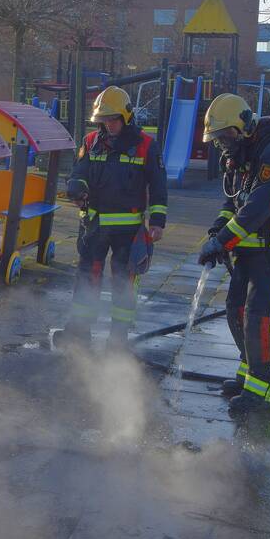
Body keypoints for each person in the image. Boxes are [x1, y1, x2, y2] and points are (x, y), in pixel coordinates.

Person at [198, 93, 270, 416]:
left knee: (261, 319)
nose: (222, 145)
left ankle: (263, 392)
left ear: (243, 127)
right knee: (236, 311)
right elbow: (232, 203)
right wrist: (218, 232)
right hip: (249, 250)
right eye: (217, 139)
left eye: (225, 136)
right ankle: (249, 381)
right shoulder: (242, 157)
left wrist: (224, 242)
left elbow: (257, 207)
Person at [61, 85, 168, 346]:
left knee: (123, 282)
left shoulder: (146, 146)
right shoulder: (90, 142)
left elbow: (158, 186)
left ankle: (117, 339)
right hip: (93, 226)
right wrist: (75, 186)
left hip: (128, 231)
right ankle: (79, 334)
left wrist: (157, 222)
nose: (108, 125)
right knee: (87, 278)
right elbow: (79, 172)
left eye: (113, 119)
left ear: (126, 116)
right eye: (104, 120)